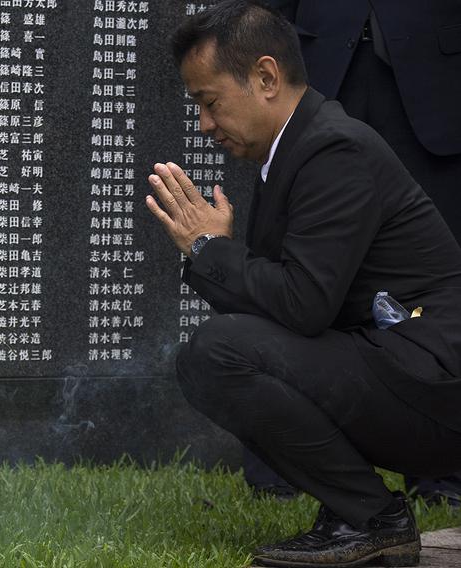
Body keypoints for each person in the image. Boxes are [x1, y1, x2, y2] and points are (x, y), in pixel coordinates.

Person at [145, 1, 461, 566]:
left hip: (435, 386)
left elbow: (301, 304)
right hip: (402, 373)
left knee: (216, 352)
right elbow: (277, 305)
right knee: (216, 353)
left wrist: (209, 250)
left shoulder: (333, 149)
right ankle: (358, 513)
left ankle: (372, 519)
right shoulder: (292, 149)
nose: (204, 125)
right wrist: (214, 255)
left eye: (209, 102)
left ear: (266, 77)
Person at [244, 0, 461, 506]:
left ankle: (445, 472)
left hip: (436, 72)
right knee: (286, 258)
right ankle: (279, 464)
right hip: (312, 57)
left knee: (437, 275)